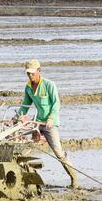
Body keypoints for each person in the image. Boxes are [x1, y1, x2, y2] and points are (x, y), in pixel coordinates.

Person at [16, 59, 78, 188]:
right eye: (28, 73)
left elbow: (56, 104)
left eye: (32, 73)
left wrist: (50, 118)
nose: (30, 75)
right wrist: (16, 118)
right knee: (23, 145)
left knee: (58, 153)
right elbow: (25, 105)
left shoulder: (49, 85)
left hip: (50, 123)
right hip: (37, 122)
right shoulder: (28, 87)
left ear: (39, 71)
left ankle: (74, 179)